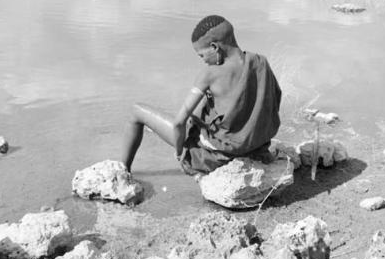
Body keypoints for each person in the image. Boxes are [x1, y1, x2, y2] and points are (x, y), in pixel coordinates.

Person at [120, 15, 282, 176]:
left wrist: (179, 154)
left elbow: (178, 123)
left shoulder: (210, 74)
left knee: (136, 111)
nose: (203, 61)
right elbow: (275, 99)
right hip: (255, 146)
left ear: (214, 47)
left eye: (202, 55)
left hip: (219, 154)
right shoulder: (261, 62)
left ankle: (122, 171)